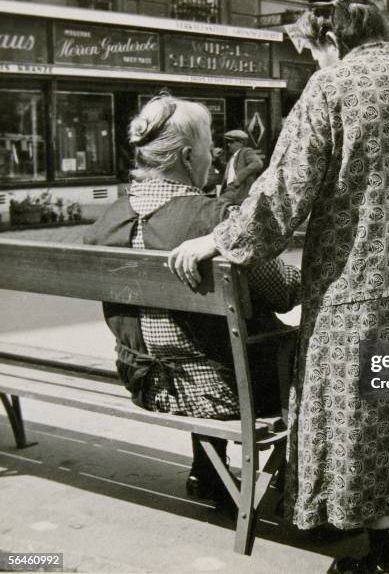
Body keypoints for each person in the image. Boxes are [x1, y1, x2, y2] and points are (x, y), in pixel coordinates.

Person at [167, 0, 389, 574]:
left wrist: (216, 239)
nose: (311, 61)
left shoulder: (332, 89)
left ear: (330, 35)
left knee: (372, 429)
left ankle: (382, 559)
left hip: (363, 301)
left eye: (310, 49)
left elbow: (282, 197)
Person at [84, 94, 300, 509]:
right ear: (186, 156)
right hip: (227, 390)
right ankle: (295, 484)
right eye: (207, 146)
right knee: (311, 350)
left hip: (144, 381)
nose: (215, 155)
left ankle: (207, 470)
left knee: (193, 336)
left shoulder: (105, 221)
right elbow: (286, 292)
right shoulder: (216, 219)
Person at [218, 129, 264, 203]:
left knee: (216, 204)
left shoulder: (246, 151)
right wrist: (216, 161)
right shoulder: (232, 157)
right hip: (228, 191)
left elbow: (257, 163)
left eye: (231, 142)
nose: (228, 144)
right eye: (228, 142)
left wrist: (239, 177)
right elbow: (228, 173)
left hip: (239, 191)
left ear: (241, 142)